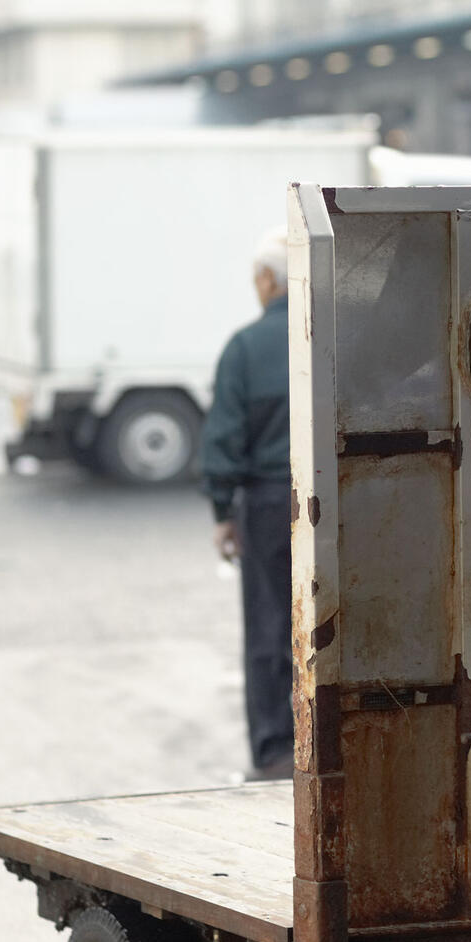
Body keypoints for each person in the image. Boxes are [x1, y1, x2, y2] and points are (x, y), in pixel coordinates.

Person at [200, 230, 295, 779]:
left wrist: (221, 513)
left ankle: (275, 752)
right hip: (327, 499)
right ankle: (325, 743)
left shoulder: (243, 348)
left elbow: (223, 441)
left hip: (263, 505)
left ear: (266, 280)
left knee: (268, 626)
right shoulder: (326, 334)